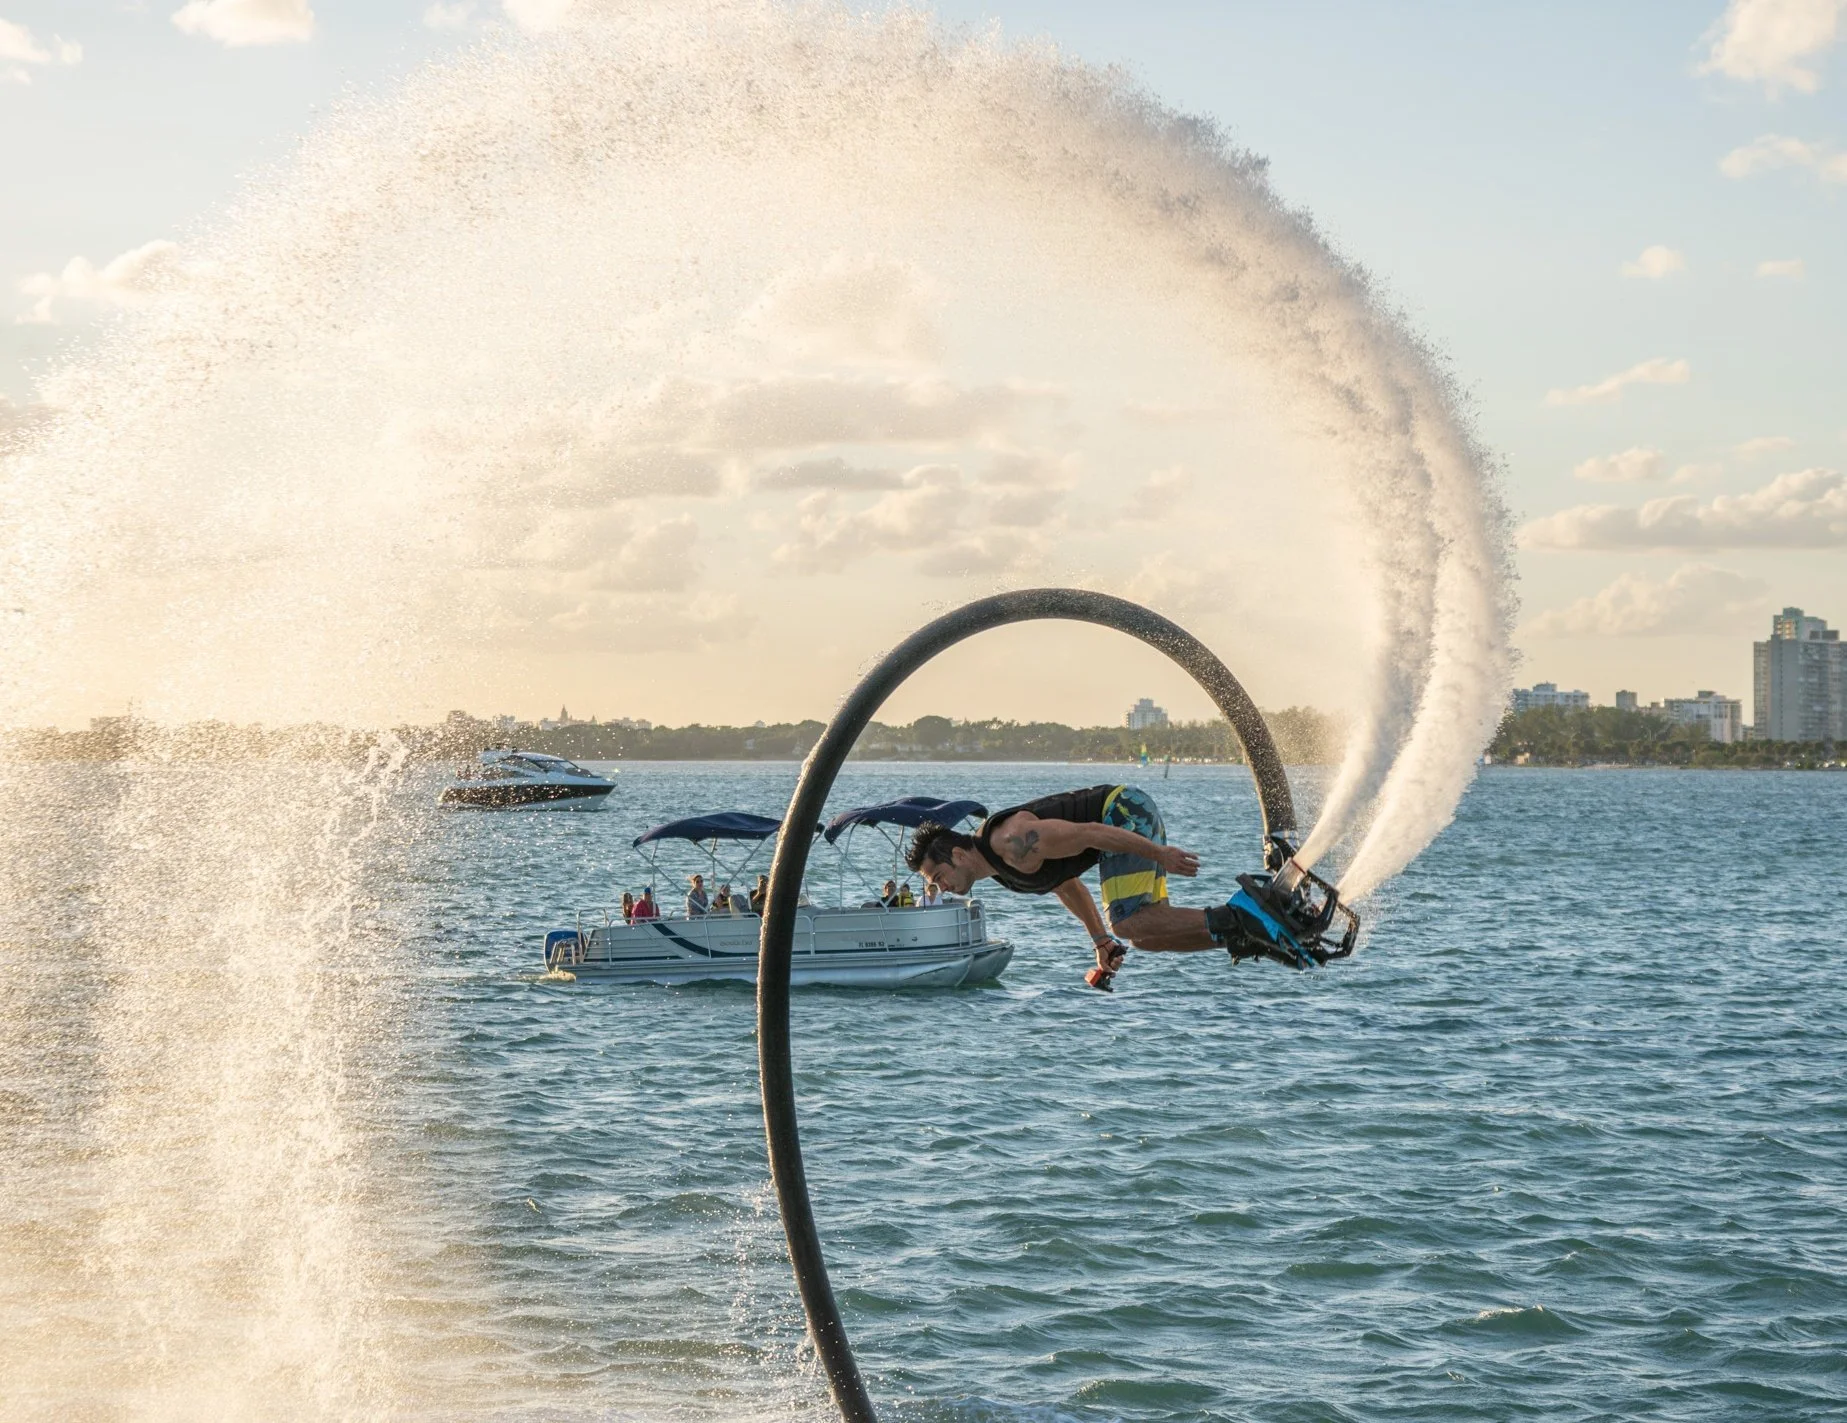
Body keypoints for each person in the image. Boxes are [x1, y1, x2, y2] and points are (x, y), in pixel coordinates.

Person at [904, 783, 1280, 987]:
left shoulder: (1012, 841)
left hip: (1123, 811)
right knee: (1147, 937)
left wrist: (1160, 854)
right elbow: (1066, 885)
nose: (942, 888)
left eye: (938, 878)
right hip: (1120, 828)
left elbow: (1092, 833)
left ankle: (1247, 915)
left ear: (956, 854)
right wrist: (1100, 941)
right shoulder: (1000, 869)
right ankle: (1248, 935)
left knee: (1128, 921)